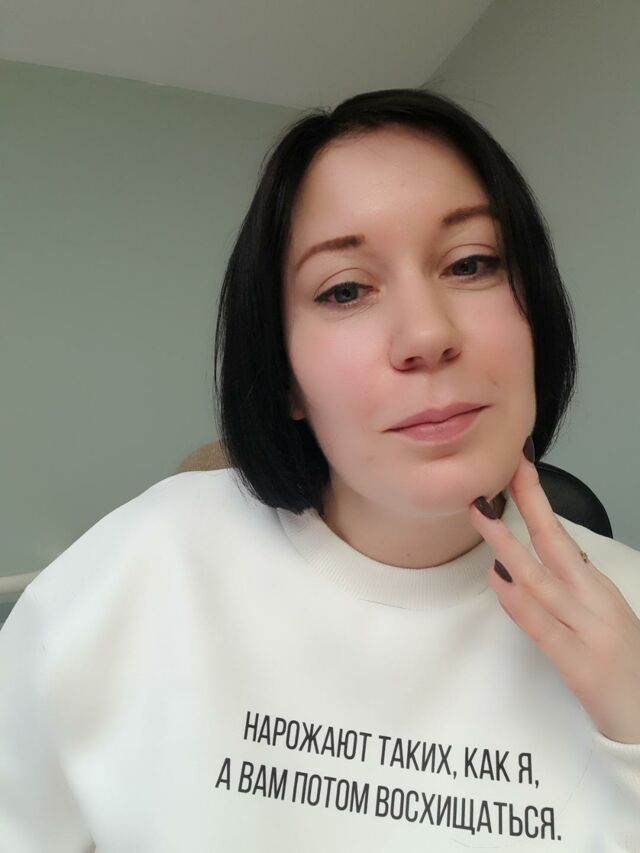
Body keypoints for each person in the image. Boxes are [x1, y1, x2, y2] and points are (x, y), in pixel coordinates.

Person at [1, 87, 639, 852]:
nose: (426, 334)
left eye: (471, 263)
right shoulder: (143, 566)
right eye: (345, 289)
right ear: (287, 376)